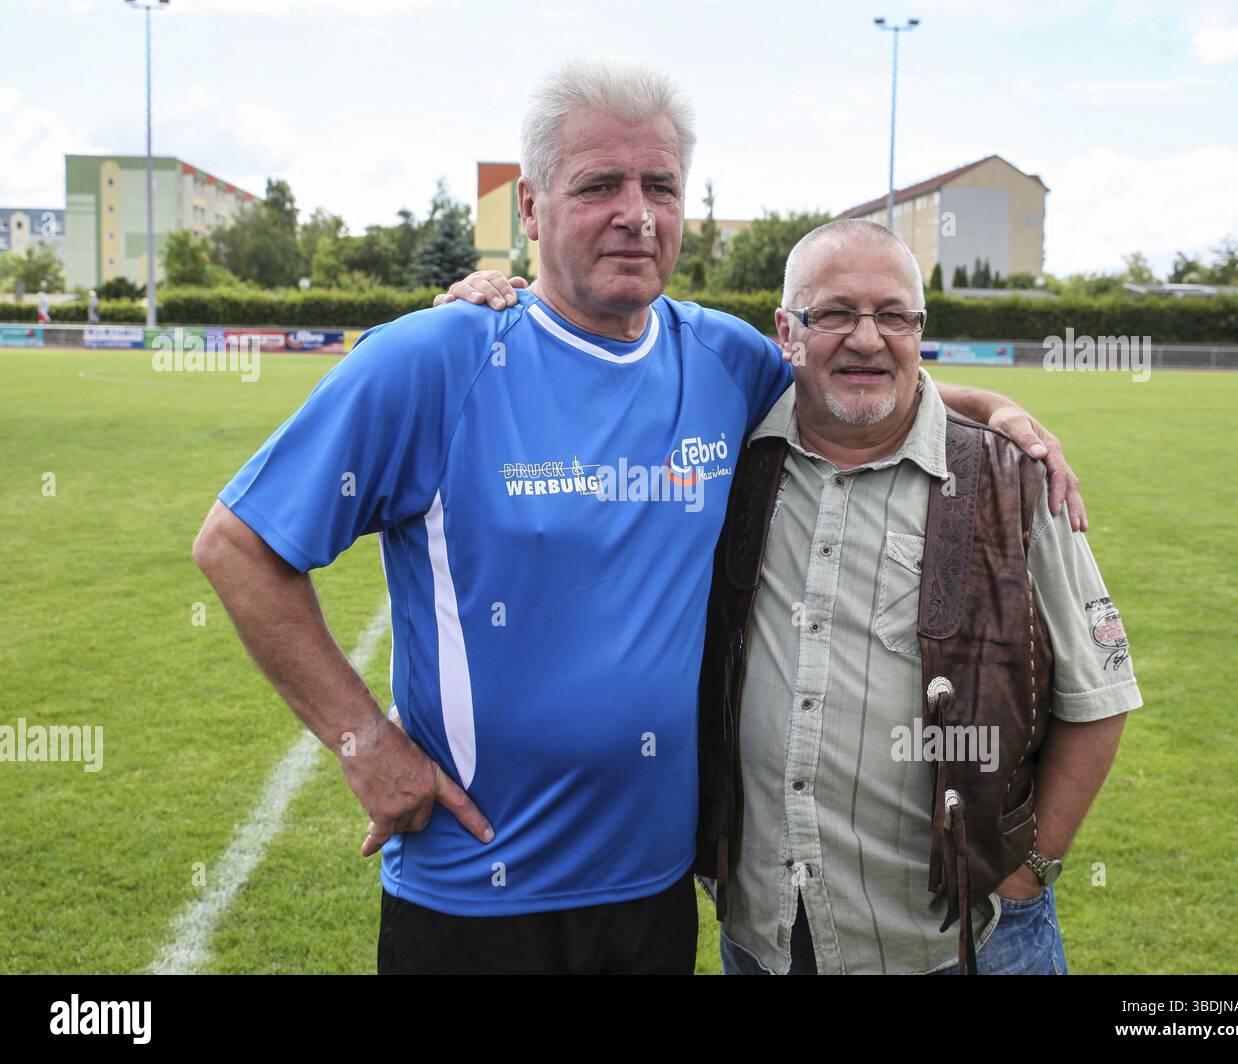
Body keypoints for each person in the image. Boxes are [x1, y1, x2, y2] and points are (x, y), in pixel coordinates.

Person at [194, 58, 1080, 975]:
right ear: (530, 207)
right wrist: (362, 742)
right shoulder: (435, 358)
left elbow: (852, 379)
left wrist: (986, 408)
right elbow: (237, 546)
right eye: (599, 186)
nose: (638, 214)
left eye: (661, 186)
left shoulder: (723, 360)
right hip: (474, 889)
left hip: (655, 892)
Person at [692, 220, 1142, 975]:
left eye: (894, 315)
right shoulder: (728, 463)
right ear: (787, 331)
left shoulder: (1012, 479)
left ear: (919, 331)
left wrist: (1032, 870)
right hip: (765, 932)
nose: (867, 338)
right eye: (836, 313)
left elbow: (1100, 698)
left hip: (963, 943)